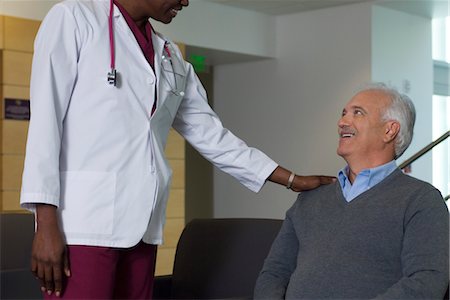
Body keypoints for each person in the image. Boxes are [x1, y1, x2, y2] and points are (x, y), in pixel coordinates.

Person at [19, 0, 335, 298]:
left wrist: (291, 179)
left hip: (142, 226)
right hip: (82, 227)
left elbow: (214, 137)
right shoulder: (74, 18)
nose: (185, 2)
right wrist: (45, 224)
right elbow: (46, 125)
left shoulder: (169, 56)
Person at [254, 83, 449, 299]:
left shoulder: (421, 200)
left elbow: (426, 281)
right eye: (344, 113)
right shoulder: (310, 199)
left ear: (389, 130)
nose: (342, 122)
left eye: (358, 113)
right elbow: (273, 273)